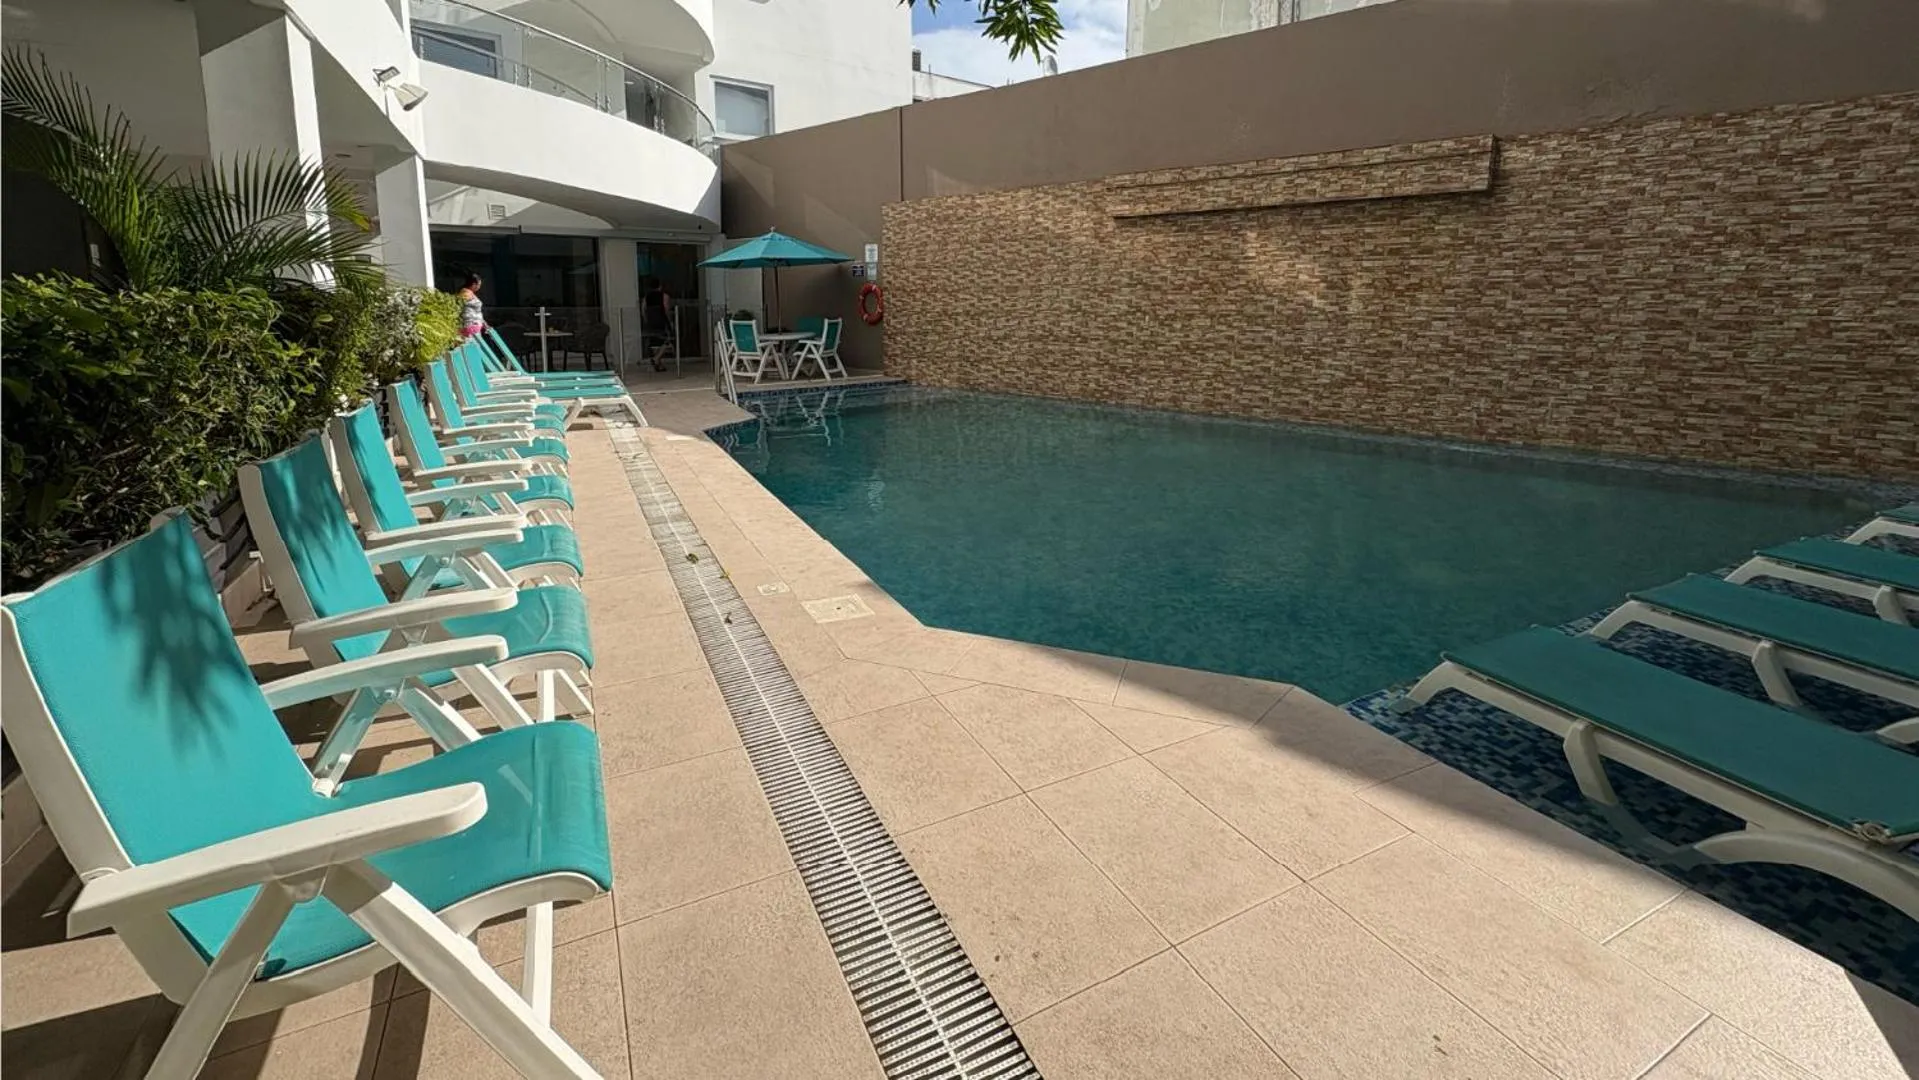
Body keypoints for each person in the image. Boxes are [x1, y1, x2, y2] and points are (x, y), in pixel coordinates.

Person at [641, 276, 673, 371]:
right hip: (661, 320)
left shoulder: (646, 297)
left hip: (651, 321)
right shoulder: (664, 296)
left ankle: (659, 364)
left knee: (655, 343)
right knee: (667, 341)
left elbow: (643, 309)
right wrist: (670, 321)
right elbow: (666, 309)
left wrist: (646, 319)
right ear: (660, 286)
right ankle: (656, 360)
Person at [457, 273, 485, 339]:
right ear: (473, 284)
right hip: (470, 326)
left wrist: (483, 322)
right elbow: (458, 305)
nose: (479, 287)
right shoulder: (466, 293)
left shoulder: (469, 292)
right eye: (479, 285)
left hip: (473, 326)